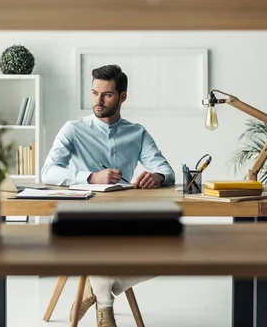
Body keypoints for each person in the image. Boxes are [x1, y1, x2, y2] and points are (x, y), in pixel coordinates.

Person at [41, 64, 175, 327]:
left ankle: (97, 289)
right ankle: (105, 311)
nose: (98, 101)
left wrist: (157, 177)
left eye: (106, 95)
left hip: (127, 215)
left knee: (173, 249)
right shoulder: (73, 129)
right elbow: (48, 172)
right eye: (94, 93)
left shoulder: (137, 133)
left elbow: (165, 169)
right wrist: (90, 177)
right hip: (81, 216)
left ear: (122, 97)